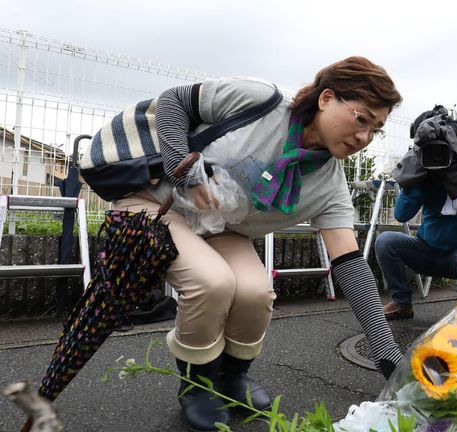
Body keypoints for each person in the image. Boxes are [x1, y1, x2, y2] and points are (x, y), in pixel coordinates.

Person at [114, 56, 404, 431]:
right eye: (361, 118)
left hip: (221, 228)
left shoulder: (330, 185)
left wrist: (387, 356)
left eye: (376, 130)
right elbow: (174, 100)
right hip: (155, 200)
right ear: (326, 98)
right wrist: (181, 168)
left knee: (255, 291)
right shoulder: (259, 102)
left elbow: (349, 262)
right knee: (212, 282)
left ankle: (233, 376)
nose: (364, 137)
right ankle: (197, 384)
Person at [377, 117, 457, 319]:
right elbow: (401, 215)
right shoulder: (434, 171)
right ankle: (402, 303)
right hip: (425, 249)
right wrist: (414, 177)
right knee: (386, 241)